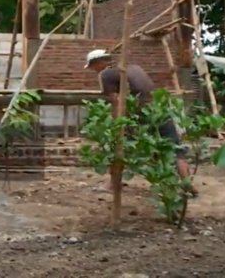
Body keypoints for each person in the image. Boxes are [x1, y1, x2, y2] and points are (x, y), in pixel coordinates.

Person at [83, 49, 198, 196]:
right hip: (160, 110)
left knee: (120, 147)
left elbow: (115, 101)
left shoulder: (105, 74)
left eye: (93, 67)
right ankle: (186, 183)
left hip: (140, 114)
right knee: (175, 149)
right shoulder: (134, 67)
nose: (94, 71)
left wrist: (117, 124)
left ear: (99, 63)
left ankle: (113, 184)